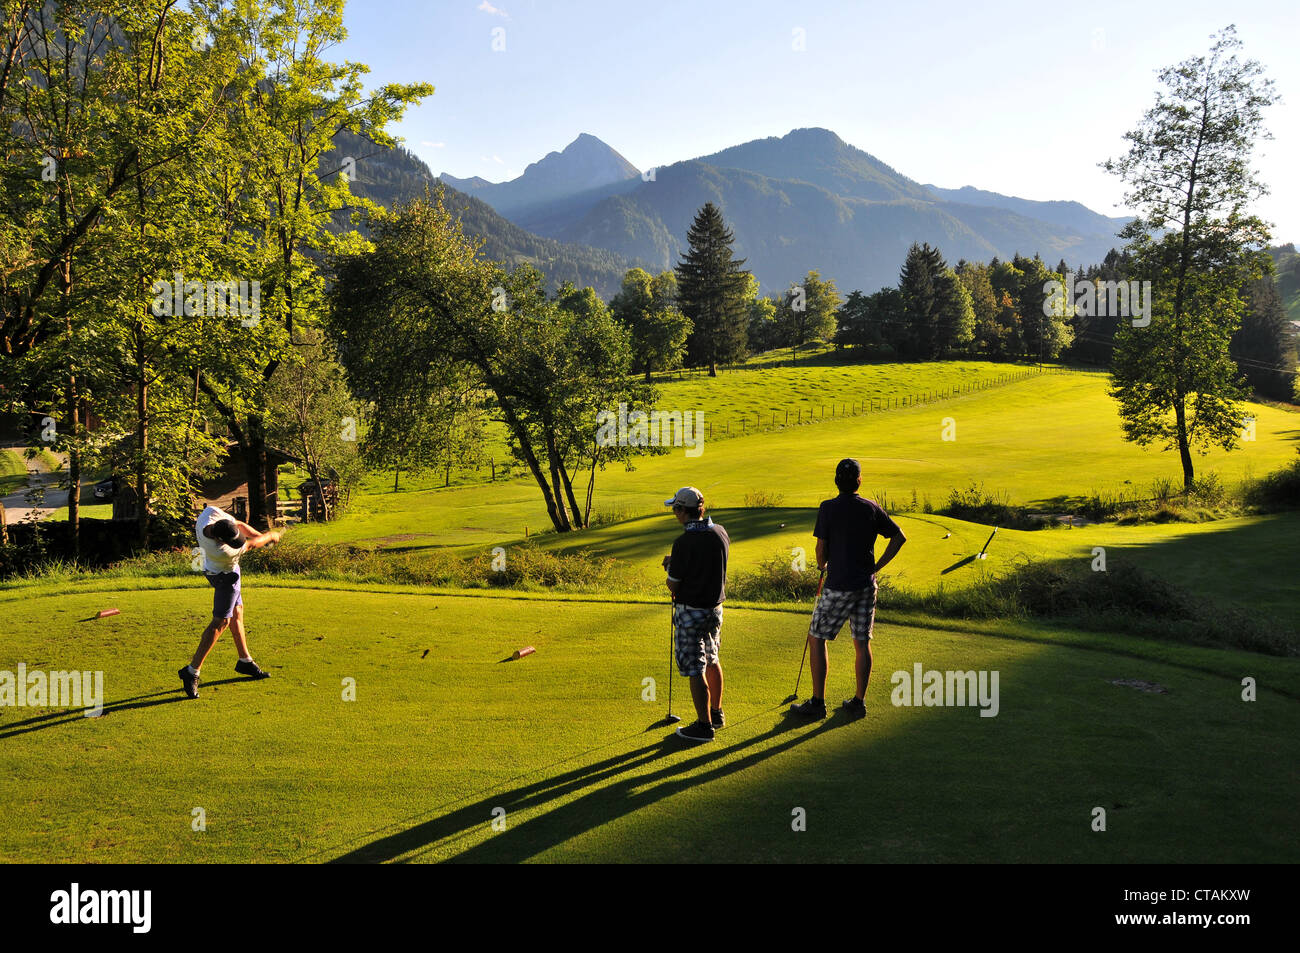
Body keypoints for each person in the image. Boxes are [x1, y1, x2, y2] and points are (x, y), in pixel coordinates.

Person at [790, 459, 906, 719]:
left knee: (816, 637)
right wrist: (876, 566)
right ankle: (858, 702)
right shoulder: (871, 508)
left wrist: (822, 564)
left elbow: (821, 548)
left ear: (836, 481)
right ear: (859, 480)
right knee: (861, 641)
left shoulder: (828, 508)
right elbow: (899, 537)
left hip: (839, 585)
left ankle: (818, 703)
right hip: (866, 585)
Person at [178, 503, 283, 699]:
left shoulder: (210, 514)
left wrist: (261, 534)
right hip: (224, 576)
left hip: (211, 568)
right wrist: (270, 536)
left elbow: (239, 524)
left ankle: (244, 661)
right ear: (220, 539)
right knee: (221, 622)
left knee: (237, 613)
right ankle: (192, 671)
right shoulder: (223, 551)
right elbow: (252, 544)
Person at [661, 486, 729, 743]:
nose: (674, 514)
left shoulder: (683, 542)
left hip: (691, 611)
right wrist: (676, 561)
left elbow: (674, 584)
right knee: (712, 659)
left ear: (682, 511)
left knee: (694, 667)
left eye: (675, 509)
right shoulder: (720, 532)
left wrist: (671, 566)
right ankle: (716, 713)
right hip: (715, 609)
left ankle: (703, 726)